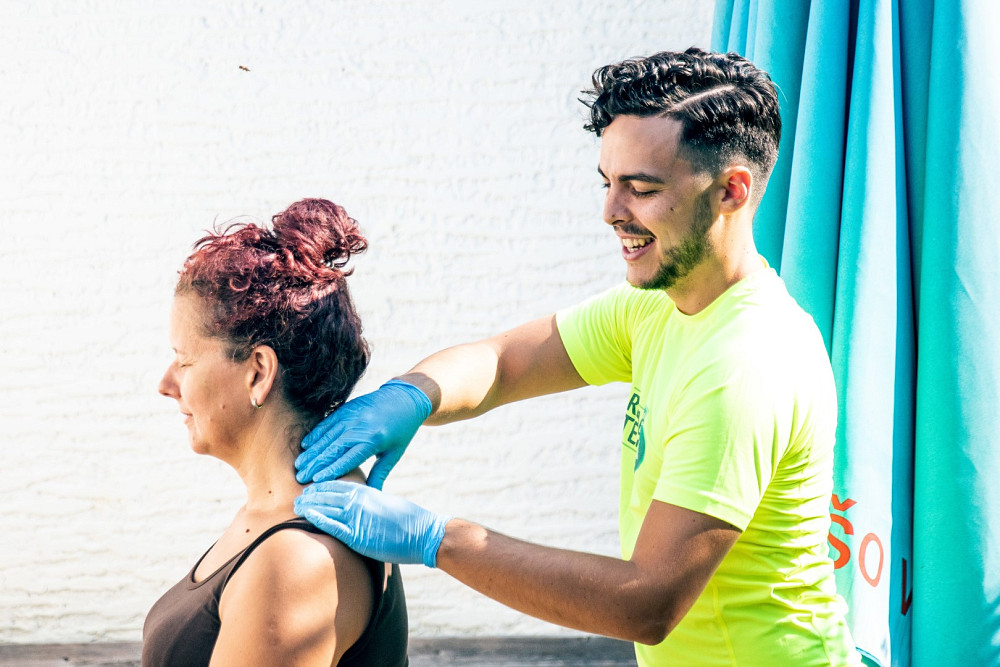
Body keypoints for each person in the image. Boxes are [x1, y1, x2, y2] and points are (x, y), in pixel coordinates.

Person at [294, 48, 860, 666]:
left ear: (731, 191)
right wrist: (412, 395)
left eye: (641, 189)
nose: (611, 212)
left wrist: (436, 540)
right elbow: (504, 363)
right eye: (607, 183)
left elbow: (646, 603)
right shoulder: (658, 306)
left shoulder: (746, 367)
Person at [142, 199, 408, 667]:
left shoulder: (298, 560)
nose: (166, 384)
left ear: (258, 372)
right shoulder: (277, 514)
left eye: (184, 360)